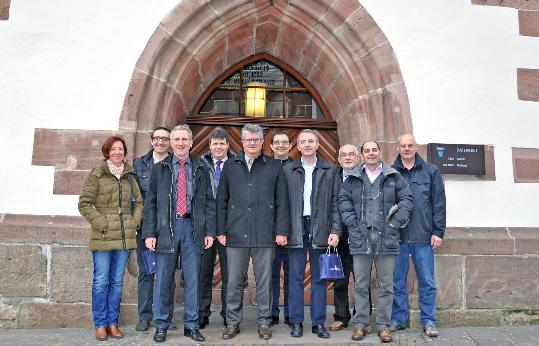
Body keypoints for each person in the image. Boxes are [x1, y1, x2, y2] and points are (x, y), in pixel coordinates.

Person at [216, 123, 290, 341]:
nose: (252, 143)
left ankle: (264, 322)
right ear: (241, 141)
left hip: (265, 233)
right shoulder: (230, 166)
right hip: (236, 233)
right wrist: (221, 229)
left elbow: (282, 202)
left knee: (265, 281)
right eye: (248, 139)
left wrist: (282, 230)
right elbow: (221, 200)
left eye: (256, 140)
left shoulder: (273, 167)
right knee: (234, 281)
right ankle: (232, 322)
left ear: (262, 142)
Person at [142, 124, 215, 343]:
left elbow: (210, 203)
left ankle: (191, 325)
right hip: (167, 229)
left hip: (193, 228)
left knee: (193, 279)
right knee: (163, 278)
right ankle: (162, 324)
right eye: (177, 140)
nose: (181, 143)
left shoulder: (202, 168)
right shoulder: (160, 169)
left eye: (185, 139)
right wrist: (149, 234)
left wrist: (209, 231)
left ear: (192, 142)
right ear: (171, 143)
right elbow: (151, 203)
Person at [338, 140, 413, 343]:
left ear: (380, 152)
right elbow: (343, 201)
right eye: (367, 151)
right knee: (361, 284)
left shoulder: (393, 176)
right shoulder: (352, 178)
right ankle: (361, 324)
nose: (371, 153)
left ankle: (383, 326)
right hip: (360, 236)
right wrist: (353, 224)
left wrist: (394, 224)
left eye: (374, 150)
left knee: (386, 284)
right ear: (361, 155)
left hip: (386, 237)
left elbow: (407, 200)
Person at [78, 135, 143, 341]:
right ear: (107, 152)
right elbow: (84, 203)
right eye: (114, 149)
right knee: (100, 281)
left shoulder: (130, 174)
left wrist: (133, 222)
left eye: (121, 149)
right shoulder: (97, 174)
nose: (118, 152)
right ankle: (100, 324)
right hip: (103, 236)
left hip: (124, 237)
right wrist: (101, 222)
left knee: (116, 281)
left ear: (125, 152)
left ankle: (113, 323)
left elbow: (139, 203)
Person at [284, 129, 342, 339]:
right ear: (297, 146)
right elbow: (282, 204)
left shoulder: (331, 169)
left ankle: (318, 323)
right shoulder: (288, 170)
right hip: (295, 229)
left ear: (318, 145)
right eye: (303, 142)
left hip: (322, 228)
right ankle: (296, 322)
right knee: (295, 278)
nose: (307, 144)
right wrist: (282, 231)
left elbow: (336, 202)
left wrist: (336, 230)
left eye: (311, 141)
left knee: (319, 279)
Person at [390, 133, 446, 337]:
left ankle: (429, 320)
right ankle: (398, 319)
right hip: (398, 238)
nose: (406, 148)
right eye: (403, 145)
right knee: (397, 281)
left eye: (410, 145)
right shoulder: (390, 173)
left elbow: (438, 203)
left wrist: (438, 231)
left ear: (416, 147)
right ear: (398, 147)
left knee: (427, 282)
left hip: (423, 236)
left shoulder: (431, 171)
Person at [133, 127, 176, 332]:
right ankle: (144, 316)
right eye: (157, 138)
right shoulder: (139, 164)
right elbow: (135, 199)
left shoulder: (176, 164)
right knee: (146, 273)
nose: (160, 142)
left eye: (165, 139)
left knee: (167, 275)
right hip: (145, 229)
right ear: (151, 141)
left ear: (170, 142)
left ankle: (165, 315)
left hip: (170, 229)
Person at [198, 127, 235, 329]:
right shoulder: (201, 165)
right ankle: (202, 313)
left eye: (222, 143)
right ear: (209, 146)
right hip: (206, 227)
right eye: (215, 144)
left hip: (230, 228)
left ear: (228, 145)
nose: (219, 147)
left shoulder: (236, 164)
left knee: (230, 275)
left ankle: (228, 314)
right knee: (203, 273)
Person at [329, 144, 359, 332]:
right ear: (338, 159)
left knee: (362, 279)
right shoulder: (332, 177)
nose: (347, 158)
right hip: (338, 236)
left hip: (359, 236)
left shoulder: (365, 176)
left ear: (358, 158)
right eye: (343, 155)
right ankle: (341, 317)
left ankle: (361, 317)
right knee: (339, 279)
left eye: (351, 155)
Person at [268, 131, 293, 326]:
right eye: (277, 142)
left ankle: (292, 314)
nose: (281, 145)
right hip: (269, 231)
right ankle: (272, 313)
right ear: (271, 146)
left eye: (285, 142)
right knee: (272, 275)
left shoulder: (297, 167)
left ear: (291, 145)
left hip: (294, 231)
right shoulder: (265, 166)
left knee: (293, 275)